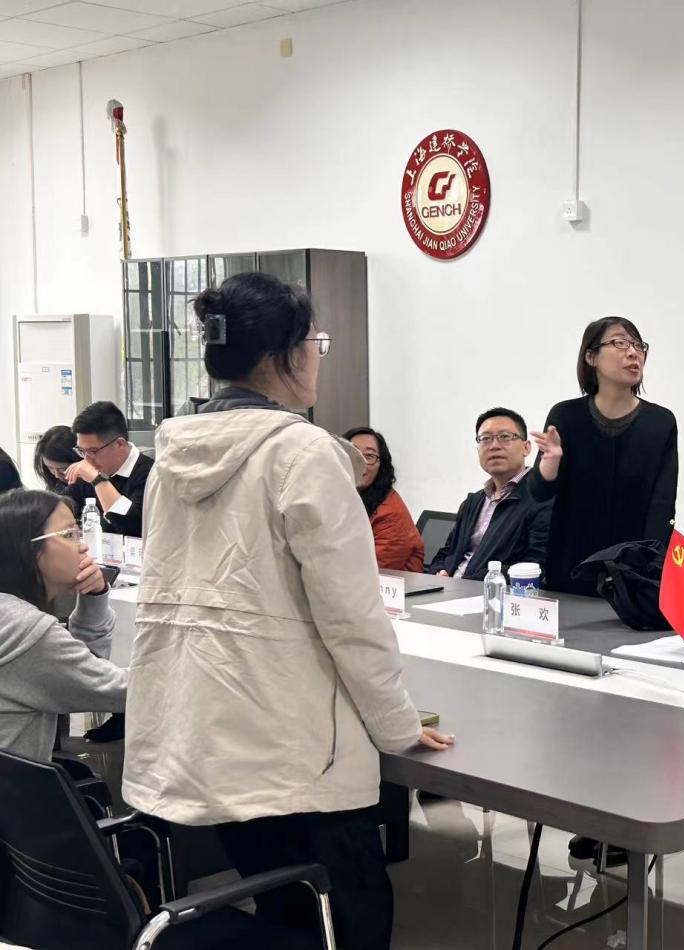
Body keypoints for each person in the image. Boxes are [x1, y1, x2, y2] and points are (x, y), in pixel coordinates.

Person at [121, 272, 453, 950]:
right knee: (351, 917)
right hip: (296, 751)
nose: (318, 357)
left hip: (211, 736)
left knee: (281, 906)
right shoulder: (302, 453)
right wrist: (398, 725)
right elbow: (352, 620)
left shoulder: (170, 459)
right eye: (316, 343)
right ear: (287, 354)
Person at [528, 317, 678, 595]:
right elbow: (539, 494)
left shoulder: (660, 422)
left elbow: (662, 505)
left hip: (631, 576)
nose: (633, 353)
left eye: (638, 346)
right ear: (591, 356)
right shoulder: (565, 416)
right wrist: (550, 463)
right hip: (569, 570)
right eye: (620, 343)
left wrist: (649, 570)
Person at [0, 489, 126, 762]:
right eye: (69, 534)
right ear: (28, 549)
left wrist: (94, 598)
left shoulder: (8, 612)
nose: (83, 546)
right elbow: (116, 690)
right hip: (17, 788)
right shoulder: (26, 630)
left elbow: (80, 668)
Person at [427, 407, 552, 579]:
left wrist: (470, 583)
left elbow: (536, 566)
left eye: (505, 437)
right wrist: (438, 573)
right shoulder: (473, 502)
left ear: (526, 448)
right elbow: (447, 552)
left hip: (493, 592)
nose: (494, 446)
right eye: (485, 439)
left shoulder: (541, 498)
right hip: (450, 589)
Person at [64, 401, 153, 538]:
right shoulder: (89, 470)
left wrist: (98, 481)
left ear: (119, 444)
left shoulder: (151, 473)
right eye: (81, 451)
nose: (87, 460)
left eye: (93, 451)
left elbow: (134, 528)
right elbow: (63, 506)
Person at [343, 427, 425, 572]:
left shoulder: (391, 514)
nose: (360, 462)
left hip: (388, 583)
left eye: (369, 456)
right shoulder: (341, 498)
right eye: (353, 453)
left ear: (381, 466)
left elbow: (369, 571)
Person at [33, 425, 82, 512]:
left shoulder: (96, 482)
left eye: (63, 469)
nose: (56, 475)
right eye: (50, 468)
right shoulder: (55, 484)